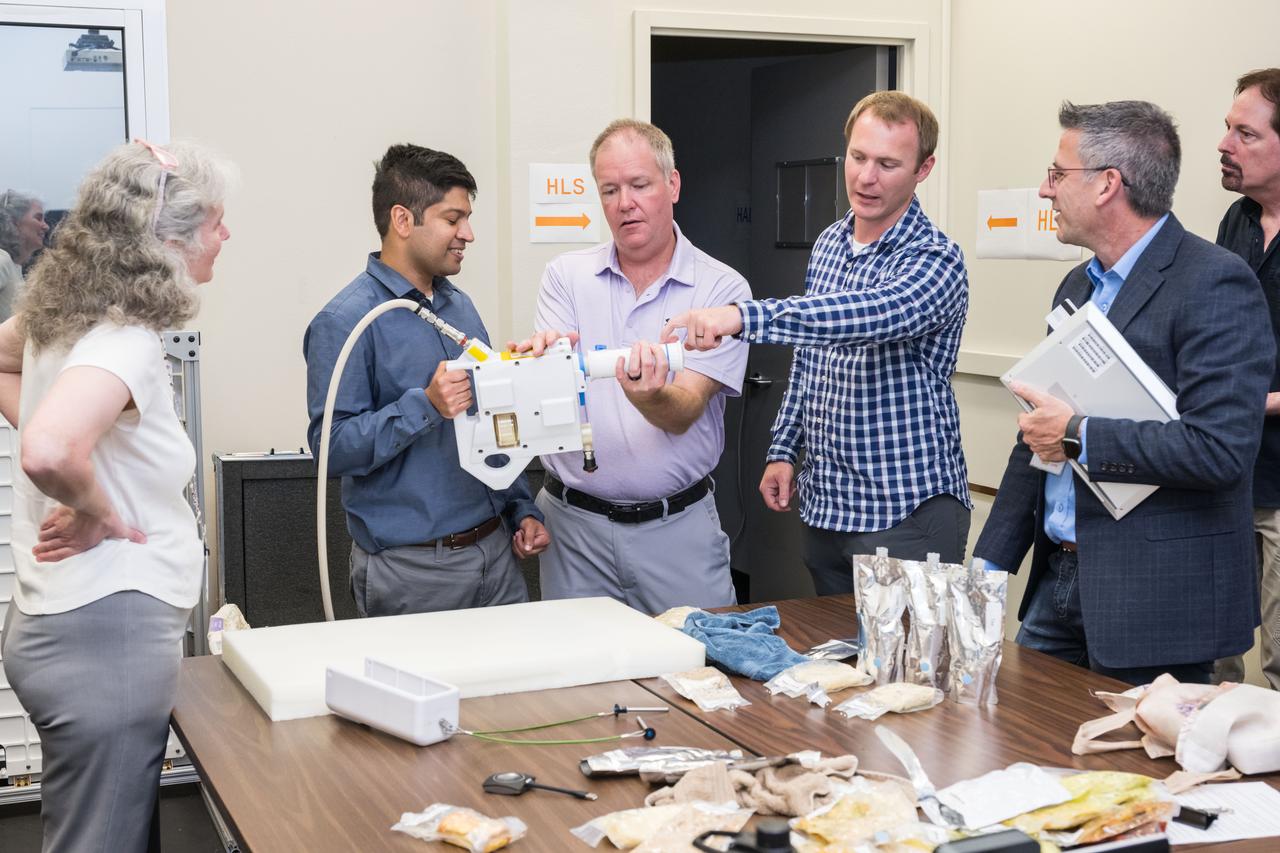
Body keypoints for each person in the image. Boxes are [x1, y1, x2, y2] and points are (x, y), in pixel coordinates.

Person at [972, 100, 1274, 686]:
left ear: (1109, 184)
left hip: (1158, 602)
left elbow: (1220, 449)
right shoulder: (1076, 284)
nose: (1044, 190)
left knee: (1134, 779)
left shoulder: (1214, 281)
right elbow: (1037, 429)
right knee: (1029, 765)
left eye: (1058, 175)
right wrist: (988, 564)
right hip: (1055, 586)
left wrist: (1077, 433)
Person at [0, 139, 231, 851]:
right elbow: (47, 449)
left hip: (63, 625)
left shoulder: (67, 315)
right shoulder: (122, 337)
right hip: (105, 637)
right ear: (173, 237)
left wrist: (88, 463)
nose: (227, 235)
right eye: (218, 221)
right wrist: (101, 511)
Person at [663, 91, 971, 596]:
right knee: (844, 669)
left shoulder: (937, 260)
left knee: (905, 672)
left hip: (905, 509)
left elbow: (861, 317)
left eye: (888, 164)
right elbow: (810, 357)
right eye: (858, 157)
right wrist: (783, 447)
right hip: (828, 505)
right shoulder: (830, 243)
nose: (867, 177)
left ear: (924, 168)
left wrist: (741, 317)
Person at [516, 119, 749, 613]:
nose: (625, 203)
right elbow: (545, 405)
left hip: (677, 532)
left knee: (701, 673)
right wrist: (535, 367)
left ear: (673, 184)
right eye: (610, 189)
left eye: (640, 185)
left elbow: (684, 409)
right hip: (573, 534)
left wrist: (649, 395)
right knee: (579, 686)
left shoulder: (721, 291)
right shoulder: (565, 278)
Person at [304, 144, 547, 618]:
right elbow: (330, 448)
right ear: (402, 219)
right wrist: (426, 406)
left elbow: (489, 421)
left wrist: (521, 508)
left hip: (495, 558)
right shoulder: (345, 321)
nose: (468, 234)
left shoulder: (461, 307)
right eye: (453, 219)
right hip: (411, 573)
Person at [1214, 68, 1280, 690]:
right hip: (1227, 476)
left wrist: (1251, 399)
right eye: (1227, 128)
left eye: (1245, 133)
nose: (1225, 144)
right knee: (1215, 655)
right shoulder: (1235, 223)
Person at [0, 189, 49, 321]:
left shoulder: (14, 266)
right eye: (38, 218)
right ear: (14, 221)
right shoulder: (2, 260)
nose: (46, 226)